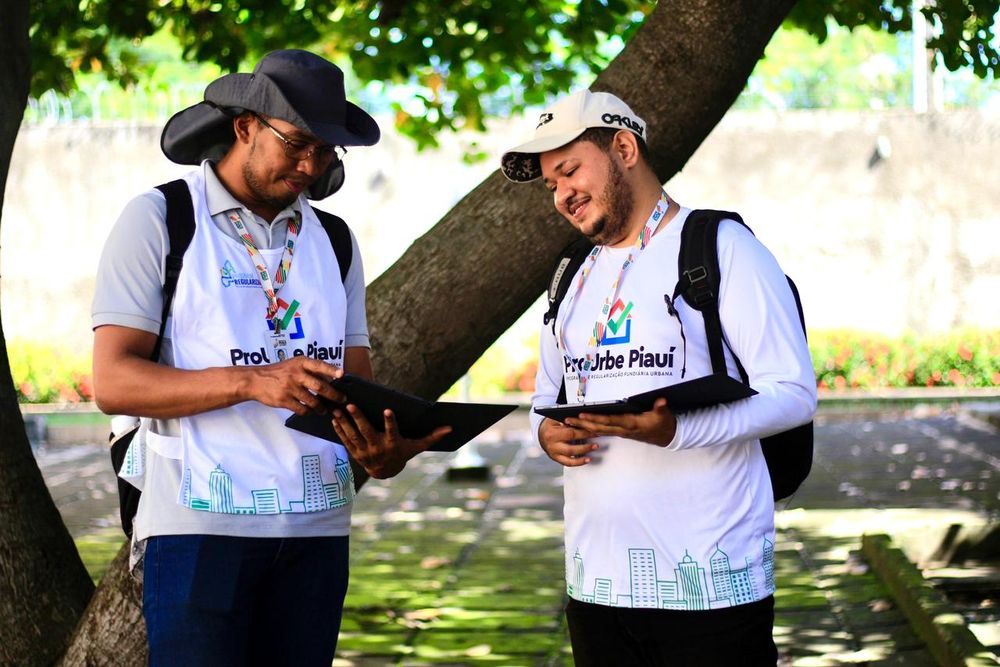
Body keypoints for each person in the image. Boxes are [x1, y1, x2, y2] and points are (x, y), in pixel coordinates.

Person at [92, 49, 448, 666]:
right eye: (297, 144)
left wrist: (377, 447)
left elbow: (354, 380)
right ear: (244, 127)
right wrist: (252, 382)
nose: (312, 166)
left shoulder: (332, 240)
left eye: (327, 152)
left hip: (317, 531)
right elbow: (114, 382)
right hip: (199, 530)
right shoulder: (162, 219)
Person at [500, 89, 817, 665]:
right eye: (551, 185)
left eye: (570, 170)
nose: (562, 195)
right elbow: (547, 397)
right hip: (595, 586)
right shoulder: (571, 272)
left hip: (712, 590)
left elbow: (794, 394)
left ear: (624, 148)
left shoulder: (722, 247)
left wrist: (676, 431)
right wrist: (544, 435)